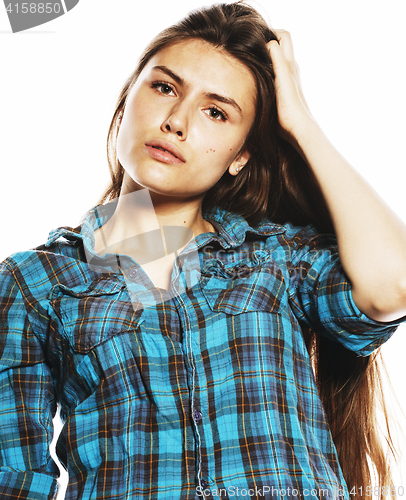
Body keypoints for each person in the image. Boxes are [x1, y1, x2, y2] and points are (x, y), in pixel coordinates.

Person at [0, 2, 405, 499]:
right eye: (165, 87)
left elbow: (395, 285)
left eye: (216, 112)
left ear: (241, 155)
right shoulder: (37, 283)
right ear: (127, 101)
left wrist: (299, 120)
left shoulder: (279, 260)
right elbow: (15, 478)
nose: (176, 121)